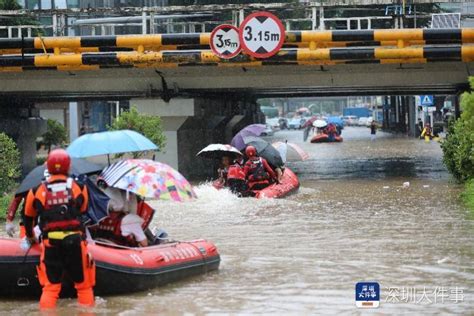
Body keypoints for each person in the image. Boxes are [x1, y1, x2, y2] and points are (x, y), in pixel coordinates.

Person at [23, 149, 95, 309]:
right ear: (69, 167)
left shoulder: (36, 191)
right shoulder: (80, 187)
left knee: (50, 288)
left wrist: (31, 237)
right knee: (83, 287)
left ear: (47, 166)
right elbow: (83, 210)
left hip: (50, 244)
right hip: (75, 242)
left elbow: (28, 218)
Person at [96, 181, 149, 247]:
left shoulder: (97, 215)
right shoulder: (131, 220)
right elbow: (144, 243)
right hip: (117, 251)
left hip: (99, 247)